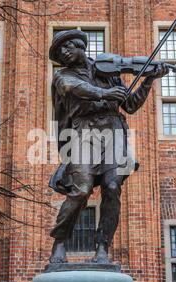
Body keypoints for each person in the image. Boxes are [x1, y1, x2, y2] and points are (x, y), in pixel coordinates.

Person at [48, 29, 168, 264]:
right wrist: (104, 93)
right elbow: (74, 88)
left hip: (113, 132)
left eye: (66, 47)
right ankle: (60, 240)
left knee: (112, 187)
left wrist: (148, 80)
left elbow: (131, 105)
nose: (62, 53)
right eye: (59, 51)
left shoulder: (108, 71)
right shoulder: (62, 76)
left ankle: (102, 247)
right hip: (83, 133)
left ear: (80, 46)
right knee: (81, 190)